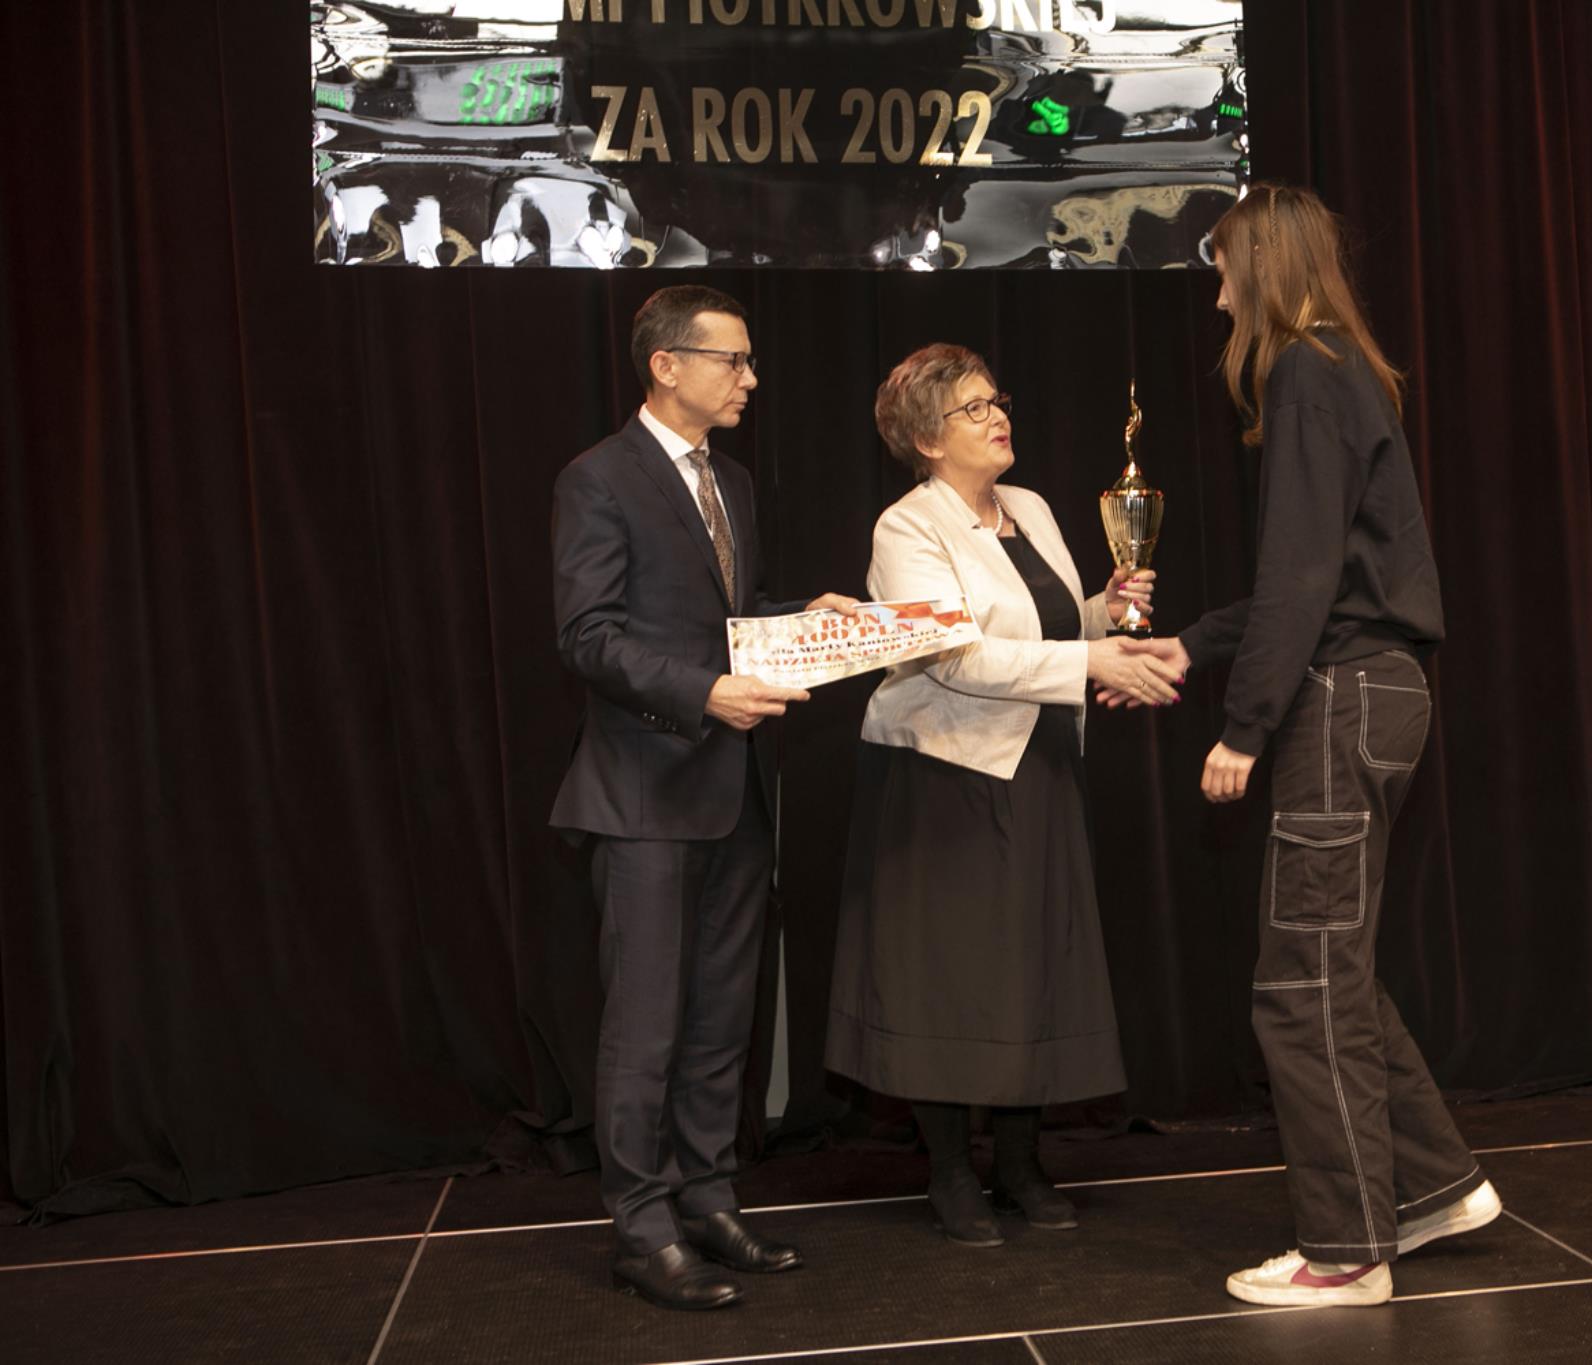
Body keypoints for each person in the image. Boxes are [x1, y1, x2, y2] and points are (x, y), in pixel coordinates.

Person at [1114, 185, 1501, 1307]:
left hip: (1342, 700)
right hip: (1376, 690)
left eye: (1225, 271)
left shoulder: (1302, 370)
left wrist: (1243, 727)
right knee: (1332, 969)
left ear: (1264, 267)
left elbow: (1300, 576)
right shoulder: (1339, 369)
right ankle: (1434, 1187)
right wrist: (1193, 643)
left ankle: (1345, 1251)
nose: (1218, 295)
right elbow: (1315, 573)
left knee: (1301, 985)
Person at [824, 344, 1182, 1248]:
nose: (997, 418)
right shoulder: (907, 528)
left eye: (997, 401)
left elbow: (1047, 626)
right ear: (925, 439)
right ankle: (950, 1171)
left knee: (1035, 970)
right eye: (973, 409)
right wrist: (1091, 659)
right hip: (945, 774)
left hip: (1041, 764)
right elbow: (954, 657)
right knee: (950, 978)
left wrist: (1105, 609)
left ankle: (1021, 1165)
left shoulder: (1031, 507)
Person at [550, 285, 859, 1312]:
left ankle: (707, 1197)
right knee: (645, 1027)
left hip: (734, 792)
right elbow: (588, 636)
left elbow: (723, 621)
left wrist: (801, 617)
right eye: (734, 360)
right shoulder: (598, 478)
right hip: (643, 792)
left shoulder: (730, 480)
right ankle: (641, 1230)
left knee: (721, 1019)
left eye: (750, 361)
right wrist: (704, 692)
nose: (751, 379)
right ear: (666, 364)